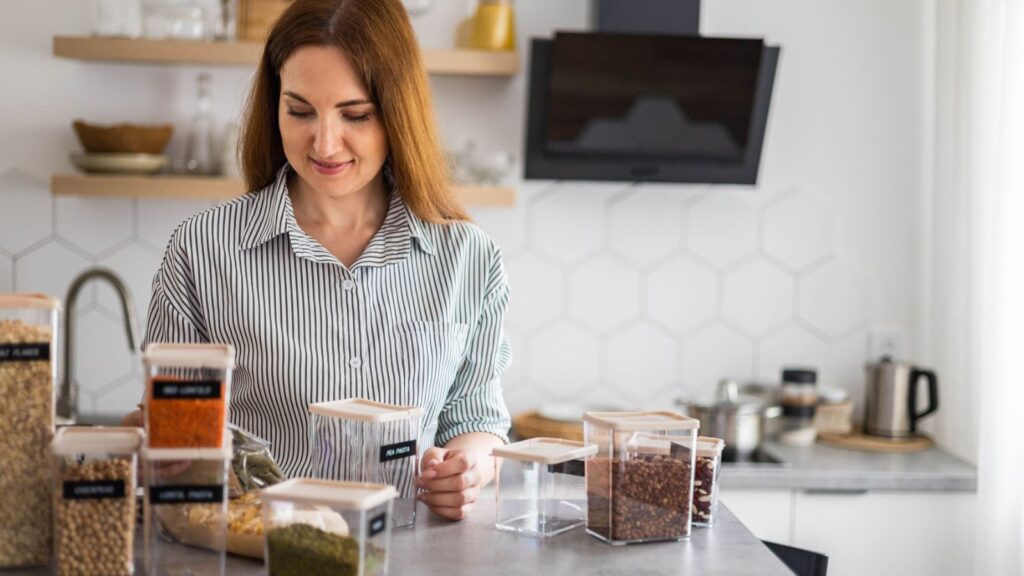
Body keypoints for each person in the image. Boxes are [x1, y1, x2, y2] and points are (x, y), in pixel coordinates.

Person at [122, 0, 512, 521]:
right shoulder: (202, 250)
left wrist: (468, 469)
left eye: (356, 115)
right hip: (255, 549)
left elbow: (476, 416)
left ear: (398, 112)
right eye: (300, 111)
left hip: (410, 554)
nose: (325, 144)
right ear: (274, 105)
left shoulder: (468, 257)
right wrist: (151, 440)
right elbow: (172, 426)